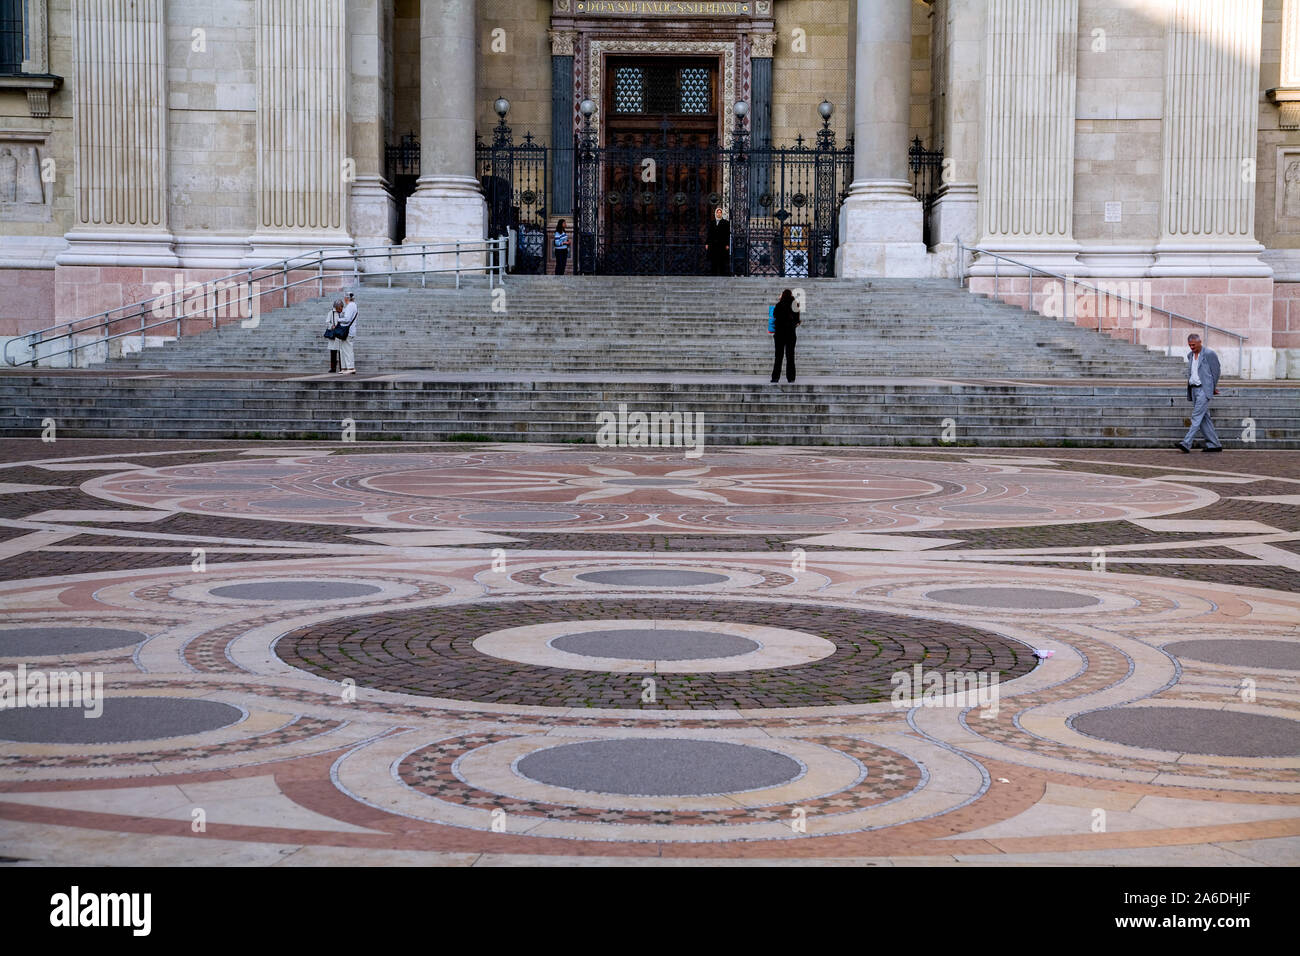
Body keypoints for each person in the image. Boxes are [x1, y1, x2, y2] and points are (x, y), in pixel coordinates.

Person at [1176, 332, 1221, 452]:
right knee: (1204, 418)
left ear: (1200, 342)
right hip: (1194, 389)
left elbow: (1216, 371)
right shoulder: (1190, 355)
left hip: (1204, 390)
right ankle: (1214, 444)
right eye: (1190, 345)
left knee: (1196, 417)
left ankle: (1186, 443)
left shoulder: (1209, 354)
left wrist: (1213, 387)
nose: (1191, 347)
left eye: (1193, 345)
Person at [770, 288, 800, 384]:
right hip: (790, 334)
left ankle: (775, 377)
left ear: (782, 295)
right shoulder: (795, 305)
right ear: (791, 295)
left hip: (779, 334)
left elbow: (774, 317)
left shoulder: (778, 305)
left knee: (778, 356)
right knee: (790, 356)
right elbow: (797, 320)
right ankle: (791, 378)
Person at [706, 207, 731, 276]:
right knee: (713, 260)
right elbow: (709, 233)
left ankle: (722, 274)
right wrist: (707, 243)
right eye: (717, 212)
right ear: (715, 213)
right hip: (713, 245)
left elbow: (727, 234)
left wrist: (727, 244)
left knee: (722, 260)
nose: (719, 214)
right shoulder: (712, 222)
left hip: (722, 244)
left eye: (720, 212)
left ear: (722, 214)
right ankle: (713, 274)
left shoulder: (726, 223)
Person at [326, 299, 341, 373]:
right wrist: (332, 326)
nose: (339, 308)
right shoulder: (331, 313)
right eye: (338, 306)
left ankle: (342, 367)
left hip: (341, 334)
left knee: (341, 352)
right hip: (333, 335)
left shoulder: (343, 312)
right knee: (333, 351)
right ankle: (333, 367)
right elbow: (327, 322)